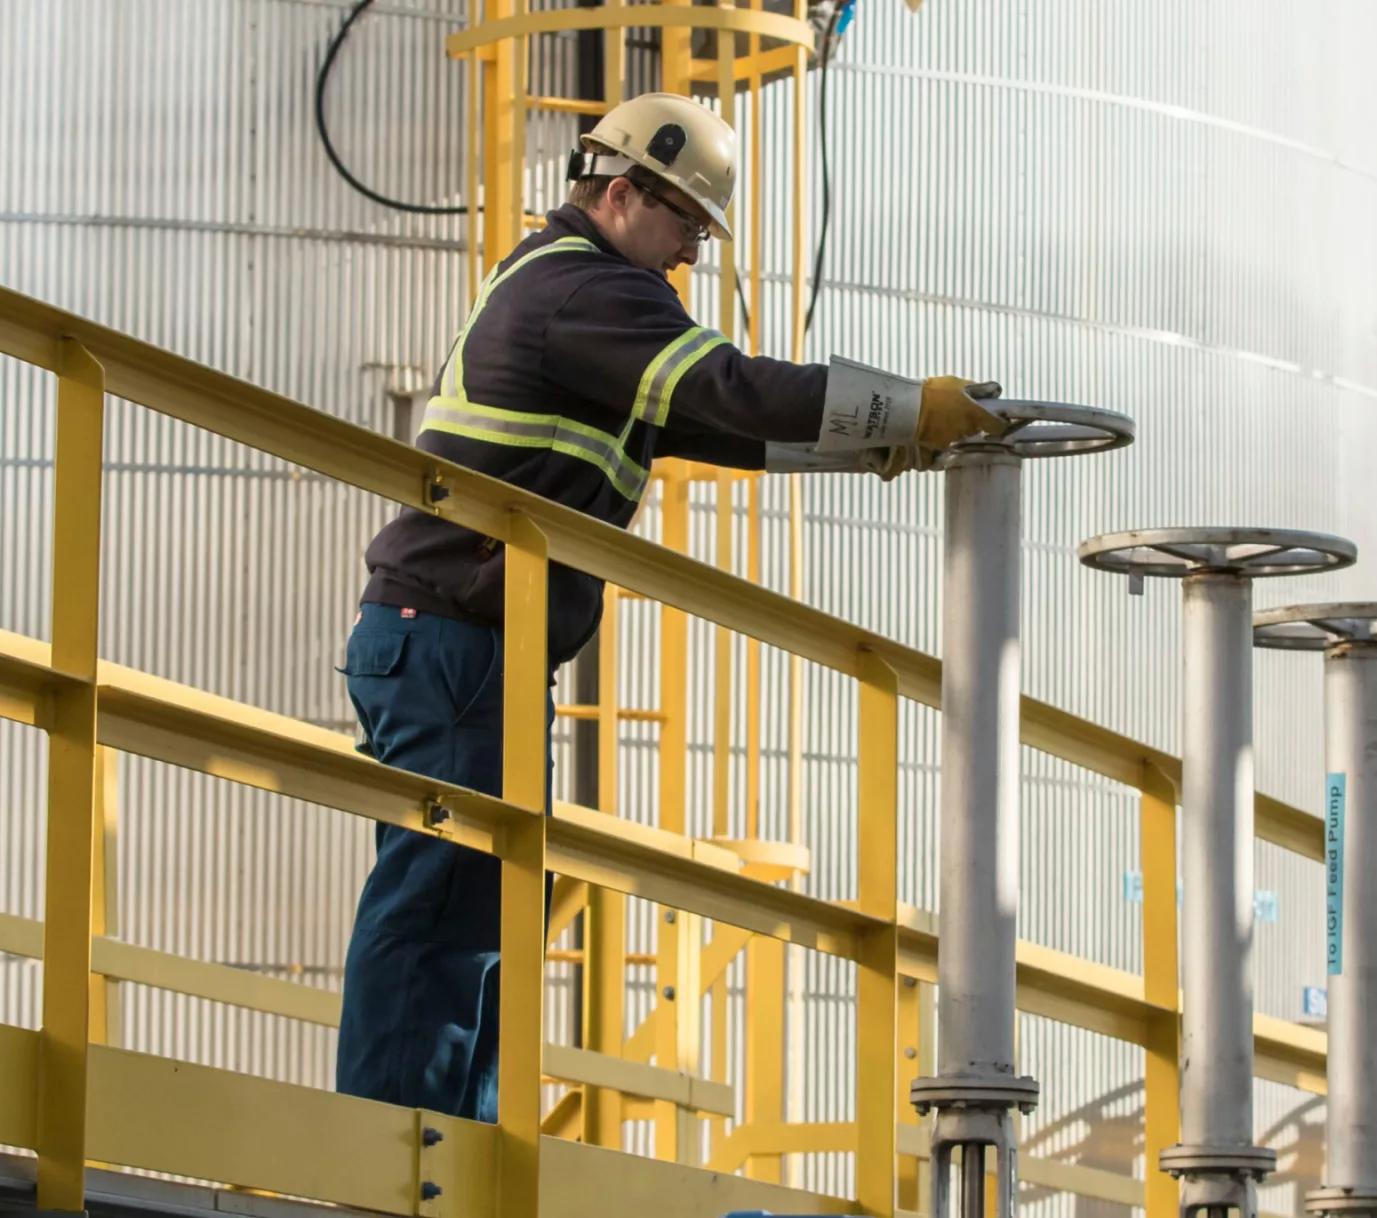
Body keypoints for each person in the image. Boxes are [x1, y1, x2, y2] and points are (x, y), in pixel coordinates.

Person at [336, 92, 1001, 1121]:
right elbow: (728, 386)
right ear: (618, 193)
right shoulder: (586, 291)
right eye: (687, 223)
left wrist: (881, 442)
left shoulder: (581, 300)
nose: (690, 253)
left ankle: (441, 1151)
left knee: (475, 911)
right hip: (455, 641)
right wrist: (904, 407)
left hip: (467, 644)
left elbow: (717, 423)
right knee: (437, 906)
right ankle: (386, 1149)